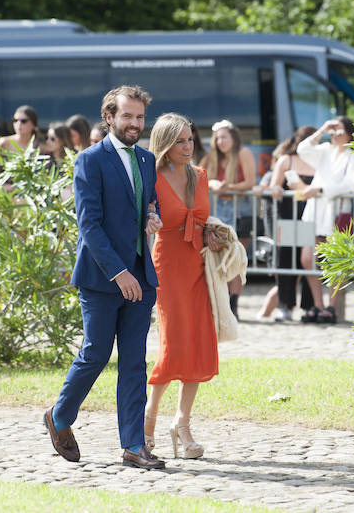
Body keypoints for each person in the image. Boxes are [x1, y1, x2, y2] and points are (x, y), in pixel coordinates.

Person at [45, 85, 165, 470]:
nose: (134, 124)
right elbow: (89, 226)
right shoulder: (90, 160)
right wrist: (119, 273)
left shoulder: (147, 159)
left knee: (134, 363)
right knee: (95, 354)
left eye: (139, 117)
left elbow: (149, 204)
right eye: (127, 116)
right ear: (109, 117)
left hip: (143, 278)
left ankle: (133, 446)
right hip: (102, 279)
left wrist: (153, 217)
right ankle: (59, 417)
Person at [144, 113, 222, 459]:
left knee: (197, 342)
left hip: (197, 265)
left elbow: (203, 219)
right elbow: (143, 217)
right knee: (173, 344)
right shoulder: (152, 176)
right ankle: (147, 419)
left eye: (190, 139)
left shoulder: (200, 176)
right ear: (164, 143)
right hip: (167, 266)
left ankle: (183, 423)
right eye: (179, 140)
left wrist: (213, 233)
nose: (187, 146)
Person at [296, 117, 354, 324]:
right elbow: (302, 149)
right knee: (308, 258)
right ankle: (318, 304)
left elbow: (352, 184)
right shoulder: (325, 150)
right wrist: (323, 128)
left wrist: (323, 190)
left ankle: (332, 308)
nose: (334, 136)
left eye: (339, 132)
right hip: (315, 210)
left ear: (350, 134)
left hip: (337, 211)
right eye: (332, 132)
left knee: (335, 261)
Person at [256, 126, 316, 322]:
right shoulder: (286, 160)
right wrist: (276, 190)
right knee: (286, 261)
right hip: (287, 217)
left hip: (311, 219)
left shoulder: (320, 161)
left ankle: (309, 306)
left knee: (309, 263)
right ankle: (285, 305)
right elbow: (274, 184)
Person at [201, 119, 256, 317]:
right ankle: (222, 301)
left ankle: (234, 301)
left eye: (224, 137)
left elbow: (250, 182)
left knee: (237, 257)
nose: (221, 142)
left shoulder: (244, 153)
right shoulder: (211, 157)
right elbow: (198, 175)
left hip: (240, 209)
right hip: (219, 211)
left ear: (233, 138)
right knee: (219, 257)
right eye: (218, 138)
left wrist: (226, 187)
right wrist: (213, 183)